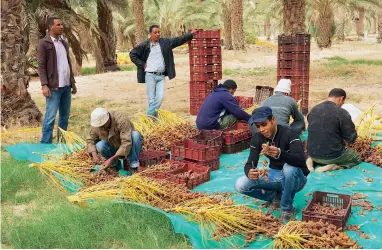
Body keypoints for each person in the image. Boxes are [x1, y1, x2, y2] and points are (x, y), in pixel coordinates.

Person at [235, 107, 309, 223]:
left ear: (273, 120)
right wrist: (249, 172)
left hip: (296, 179)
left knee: (289, 168)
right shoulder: (258, 138)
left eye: (264, 124)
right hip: (274, 175)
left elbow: (300, 160)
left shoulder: (290, 133)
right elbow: (250, 163)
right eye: (258, 126)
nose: (262, 129)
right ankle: (275, 197)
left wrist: (280, 153)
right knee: (240, 184)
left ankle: (287, 208)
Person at [130, 25, 197, 117]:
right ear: (150, 34)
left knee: (160, 97)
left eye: (159, 32)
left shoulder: (165, 42)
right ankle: (153, 121)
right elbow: (132, 54)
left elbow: (178, 40)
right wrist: (142, 64)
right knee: (151, 100)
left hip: (161, 76)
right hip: (150, 76)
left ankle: (148, 116)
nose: (158, 34)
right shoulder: (144, 45)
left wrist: (190, 34)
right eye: (155, 32)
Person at [38, 17, 77, 143]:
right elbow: (41, 65)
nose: (62, 26)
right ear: (51, 27)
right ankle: (45, 145)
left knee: (64, 117)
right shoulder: (44, 43)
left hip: (66, 86)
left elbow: (68, 64)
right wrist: (44, 85)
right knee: (50, 118)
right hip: (53, 87)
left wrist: (72, 82)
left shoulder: (63, 43)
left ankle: (62, 142)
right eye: (58, 24)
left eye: (62, 24)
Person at [307, 88, 361, 172]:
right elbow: (351, 138)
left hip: (312, 153)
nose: (342, 104)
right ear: (341, 98)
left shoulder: (314, 109)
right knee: (357, 157)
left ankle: (310, 161)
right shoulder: (341, 112)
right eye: (343, 102)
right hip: (332, 155)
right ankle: (334, 166)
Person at [87, 108, 143, 174]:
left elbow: (126, 142)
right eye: (100, 125)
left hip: (128, 146)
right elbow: (90, 139)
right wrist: (94, 155)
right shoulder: (97, 125)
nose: (101, 127)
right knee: (100, 145)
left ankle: (133, 165)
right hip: (112, 146)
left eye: (103, 124)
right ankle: (114, 165)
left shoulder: (121, 119)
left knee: (135, 135)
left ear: (108, 118)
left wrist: (111, 159)